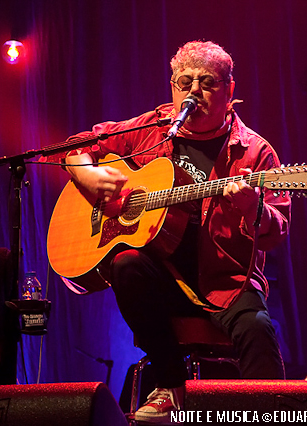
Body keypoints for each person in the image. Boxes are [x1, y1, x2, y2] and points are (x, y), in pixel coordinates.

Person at [63, 40, 289, 424]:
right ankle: (171, 386)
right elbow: (76, 147)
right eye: (184, 83)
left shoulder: (255, 152)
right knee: (126, 263)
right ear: (172, 87)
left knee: (258, 329)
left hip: (226, 280)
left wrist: (253, 208)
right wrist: (88, 175)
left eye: (207, 83)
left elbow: (277, 229)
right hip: (164, 279)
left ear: (230, 90)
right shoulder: (152, 130)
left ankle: (270, 417)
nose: (193, 92)